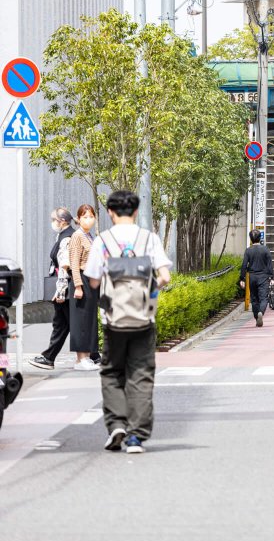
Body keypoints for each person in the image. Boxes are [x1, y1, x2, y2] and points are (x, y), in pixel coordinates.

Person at [85, 190, 171, 454]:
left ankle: (117, 425)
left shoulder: (102, 240)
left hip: (114, 320)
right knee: (141, 375)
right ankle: (136, 436)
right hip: (144, 318)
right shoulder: (149, 238)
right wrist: (150, 291)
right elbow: (165, 276)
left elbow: (93, 280)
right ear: (135, 212)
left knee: (112, 372)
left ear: (110, 212)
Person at [29, 208, 75, 371]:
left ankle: (95, 356)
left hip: (64, 288)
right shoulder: (63, 235)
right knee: (63, 324)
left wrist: (61, 291)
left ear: (62, 221)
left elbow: (64, 266)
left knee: (69, 323)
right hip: (64, 288)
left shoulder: (66, 238)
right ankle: (49, 357)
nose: (52, 222)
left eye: (53, 219)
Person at [68, 203, 100, 370]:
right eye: (85, 216)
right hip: (81, 280)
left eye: (91, 216)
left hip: (91, 281)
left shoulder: (90, 236)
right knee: (81, 320)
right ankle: (80, 359)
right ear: (78, 219)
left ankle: (87, 357)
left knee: (89, 320)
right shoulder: (77, 236)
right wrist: (78, 285)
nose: (89, 219)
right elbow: (74, 263)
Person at [239, 229, 274, 326]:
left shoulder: (248, 250)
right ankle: (261, 313)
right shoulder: (265, 249)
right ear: (260, 238)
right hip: (263, 277)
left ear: (251, 239)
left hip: (252, 277)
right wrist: (271, 277)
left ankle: (256, 317)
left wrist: (242, 279)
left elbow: (244, 265)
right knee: (263, 298)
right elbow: (269, 265)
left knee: (254, 299)